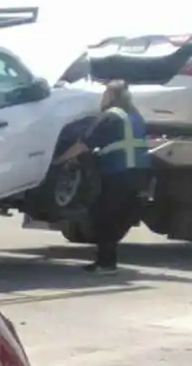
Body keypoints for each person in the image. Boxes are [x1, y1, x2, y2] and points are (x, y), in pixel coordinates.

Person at [57, 79, 152, 273]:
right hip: (140, 175)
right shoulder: (136, 117)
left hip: (118, 174)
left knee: (103, 217)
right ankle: (108, 261)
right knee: (120, 217)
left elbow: (84, 144)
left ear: (109, 95)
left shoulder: (110, 117)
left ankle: (106, 263)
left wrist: (59, 161)